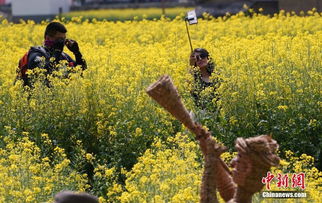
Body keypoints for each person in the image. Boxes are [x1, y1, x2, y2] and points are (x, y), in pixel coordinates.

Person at [17, 22, 87, 87]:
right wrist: (57, 52)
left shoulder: (63, 56)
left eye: (64, 39)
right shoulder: (36, 54)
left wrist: (77, 53)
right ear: (48, 38)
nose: (62, 42)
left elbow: (80, 70)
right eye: (59, 39)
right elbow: (42, 72)